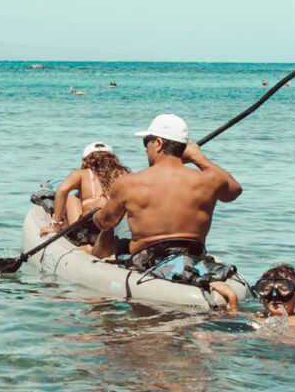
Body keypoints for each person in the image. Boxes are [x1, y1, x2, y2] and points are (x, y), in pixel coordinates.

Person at [93, 114, 244, 308]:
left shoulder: (128, 183)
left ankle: (93, 260)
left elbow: (105, 222)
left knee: (117, 229)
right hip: (194, 257)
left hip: (147, 262)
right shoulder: (209, 180)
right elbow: (234, 191)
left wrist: (98, 213)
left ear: (158, 143)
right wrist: (199, 158)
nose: (146, 149)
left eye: (146, 142)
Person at [46, 142, 129, 260]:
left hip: (91, 229)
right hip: (118, 226)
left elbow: (62, 189)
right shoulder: (124, 173)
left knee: (72, 199)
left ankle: (62, 226)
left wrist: (56, 220)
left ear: (86, 159)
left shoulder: (82, 174)